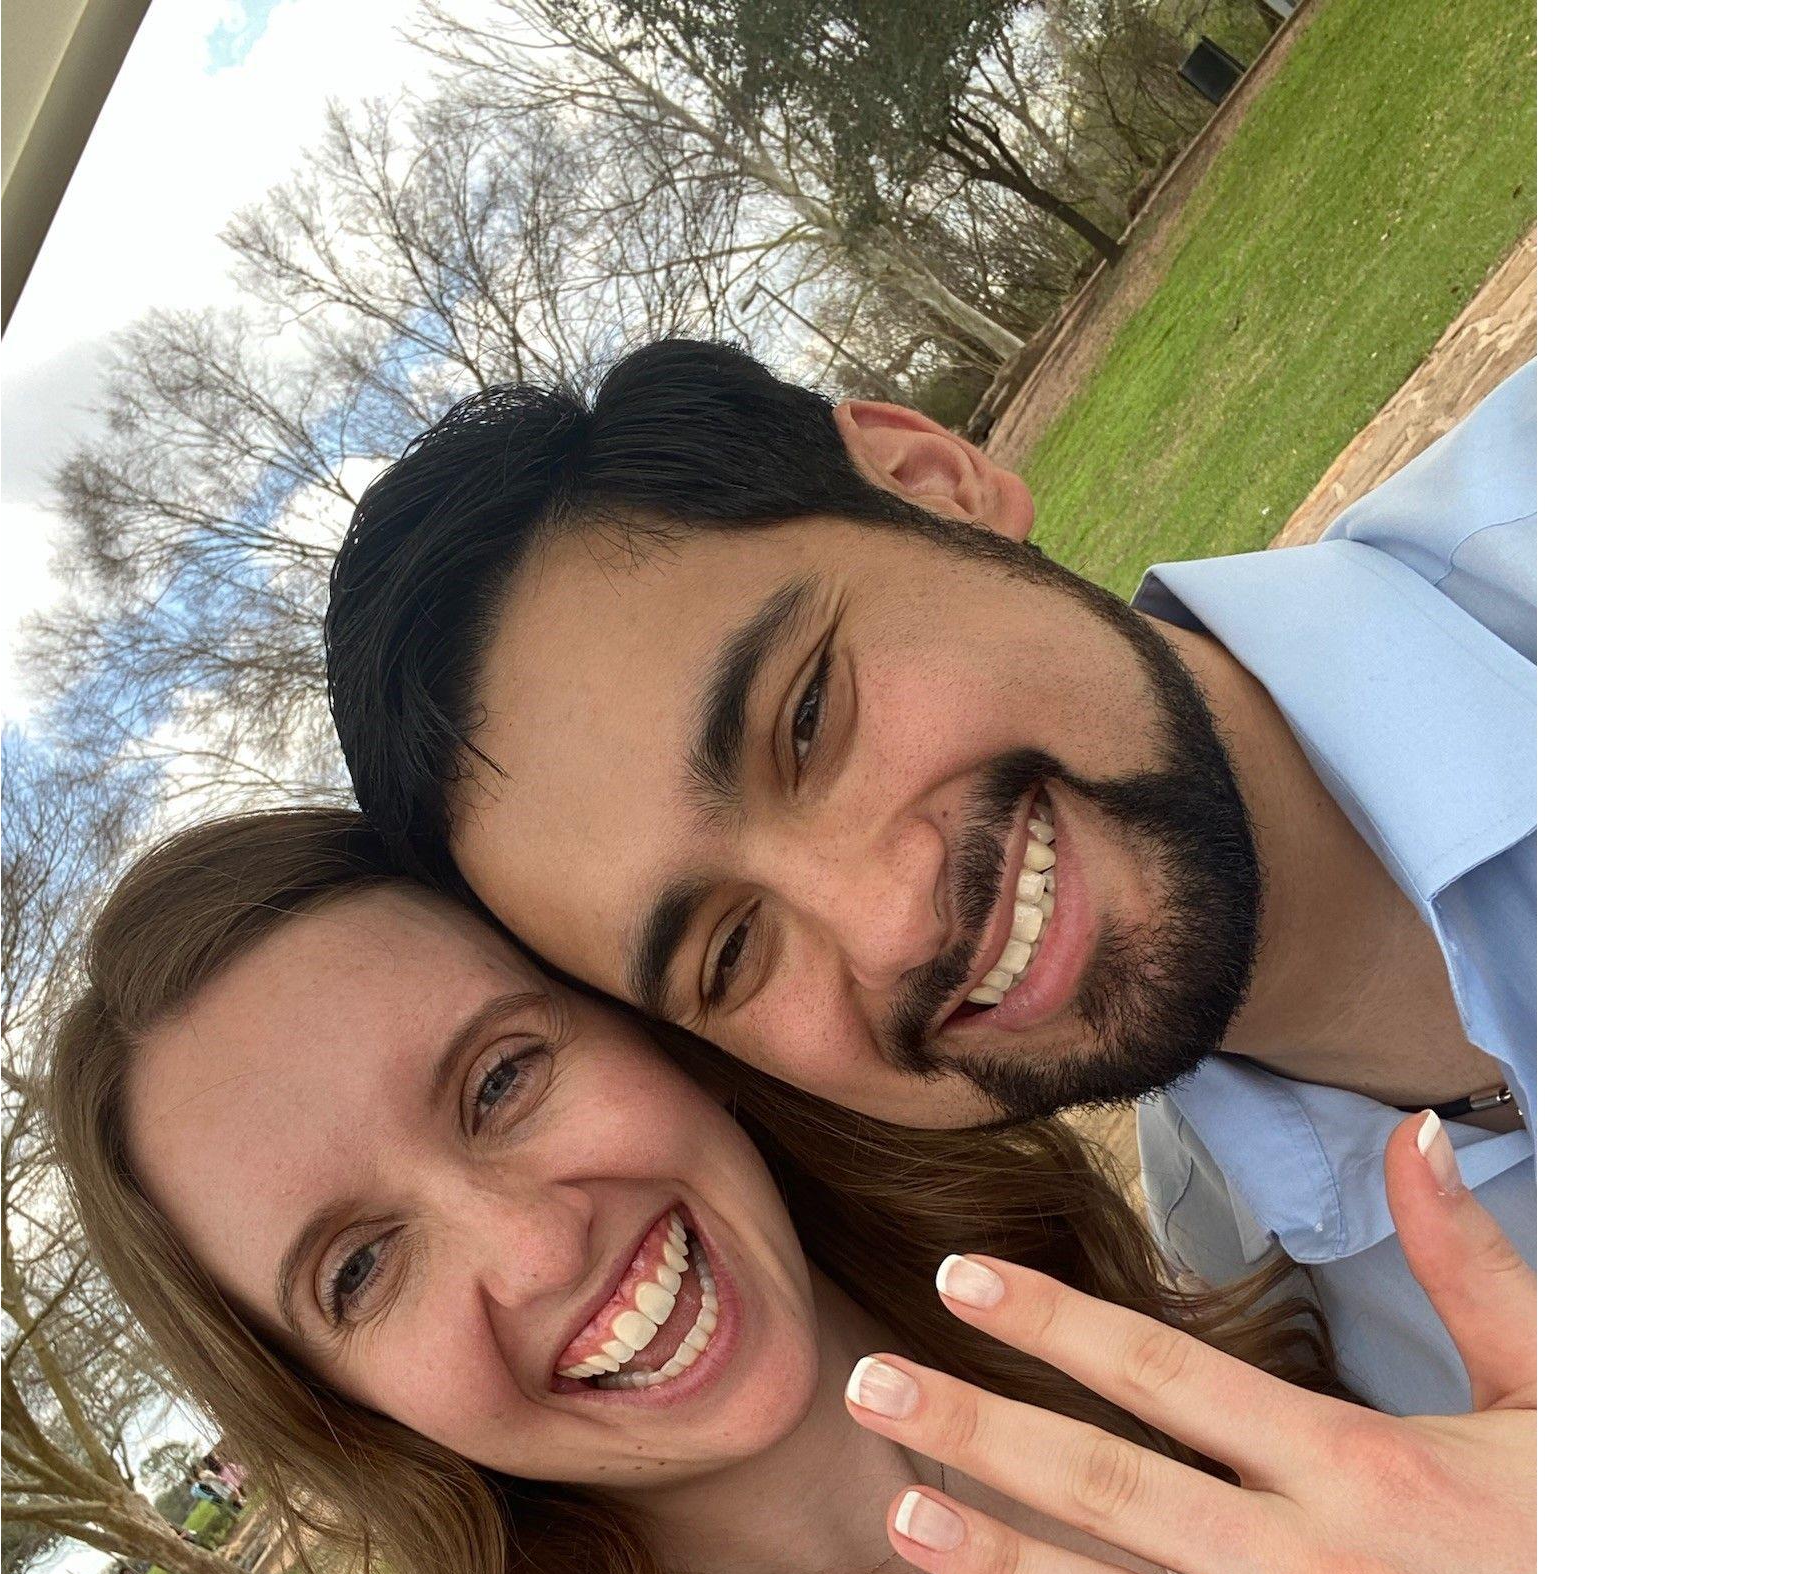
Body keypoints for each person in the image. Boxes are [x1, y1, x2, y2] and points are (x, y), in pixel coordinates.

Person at [45, 807, 1534, 1574]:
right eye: (362, 1268)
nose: (535, 1250)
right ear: (342, 1406)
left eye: (502, 1078)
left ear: (649, 1026)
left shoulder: (1321, 1365)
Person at [324, 340, 1536, 1423]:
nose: (887, 924)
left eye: (807, 720)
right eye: (730, 951)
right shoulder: (1252, 1307)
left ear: (931, 480)